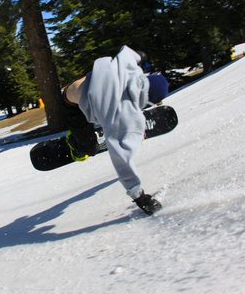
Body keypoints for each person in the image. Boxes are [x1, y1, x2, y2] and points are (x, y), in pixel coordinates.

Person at [61, 46, 169, 215]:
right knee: (90, 148)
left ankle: (125, 126)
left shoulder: (131, 68)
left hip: (83, 83)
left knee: (116, 108)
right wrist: (139, 197)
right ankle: (74, 142)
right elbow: (120, 159)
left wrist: (140, 55)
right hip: (72, 105)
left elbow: (128, 53)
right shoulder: (120, 116)